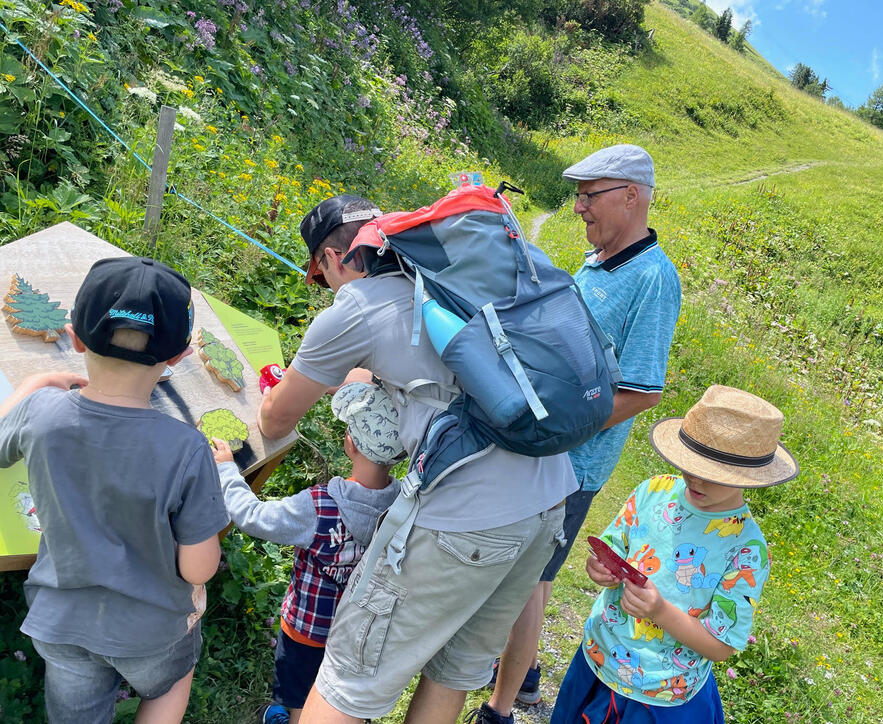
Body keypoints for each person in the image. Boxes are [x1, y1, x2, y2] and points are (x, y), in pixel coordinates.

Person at [257, 194, 575, 724]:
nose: (326, 291)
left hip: (468, 519)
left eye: (320, 279)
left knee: (350, 676)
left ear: (332, 260)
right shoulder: (452, 276)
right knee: (454, 670)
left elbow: (275, 418)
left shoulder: (357, 307)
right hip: (545, 501)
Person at [485, 144, 681, 721]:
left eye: (588, 195)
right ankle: (524, 678)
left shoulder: (653, 279)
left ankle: (499, 709)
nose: (577, 208)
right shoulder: (599, 263)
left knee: (526, 584)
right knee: (528, 579)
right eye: (576, 196)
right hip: (545, 447)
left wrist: (560, 436)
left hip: (572, 465)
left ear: (631, 195)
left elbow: (643, 389)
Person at [0, 257, 229, 724]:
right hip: (153, 634)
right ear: (178, 357)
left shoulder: (42, 412)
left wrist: (36, 383)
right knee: (169, 683)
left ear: (77, 336)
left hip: (62, 623)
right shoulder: (187, 450)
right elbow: (198, 568)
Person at [550, 384, 799, 723]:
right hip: (599, 657)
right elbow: (612, 549)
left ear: (749, 477)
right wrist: (600, 569)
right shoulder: (654, 491)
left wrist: (660, 612)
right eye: (690, 464)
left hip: (662, 693)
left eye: (713, 475)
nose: (696, 480)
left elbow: (721, 646)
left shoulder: (745, 551)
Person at [212, 381, 403, 724]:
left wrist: (227, 468)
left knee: (300, 697)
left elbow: (252, 517)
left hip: (306, 630)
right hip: (357, 635)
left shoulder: (319, 506)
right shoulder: (403, 508)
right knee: (340, 698)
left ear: (353, 443)